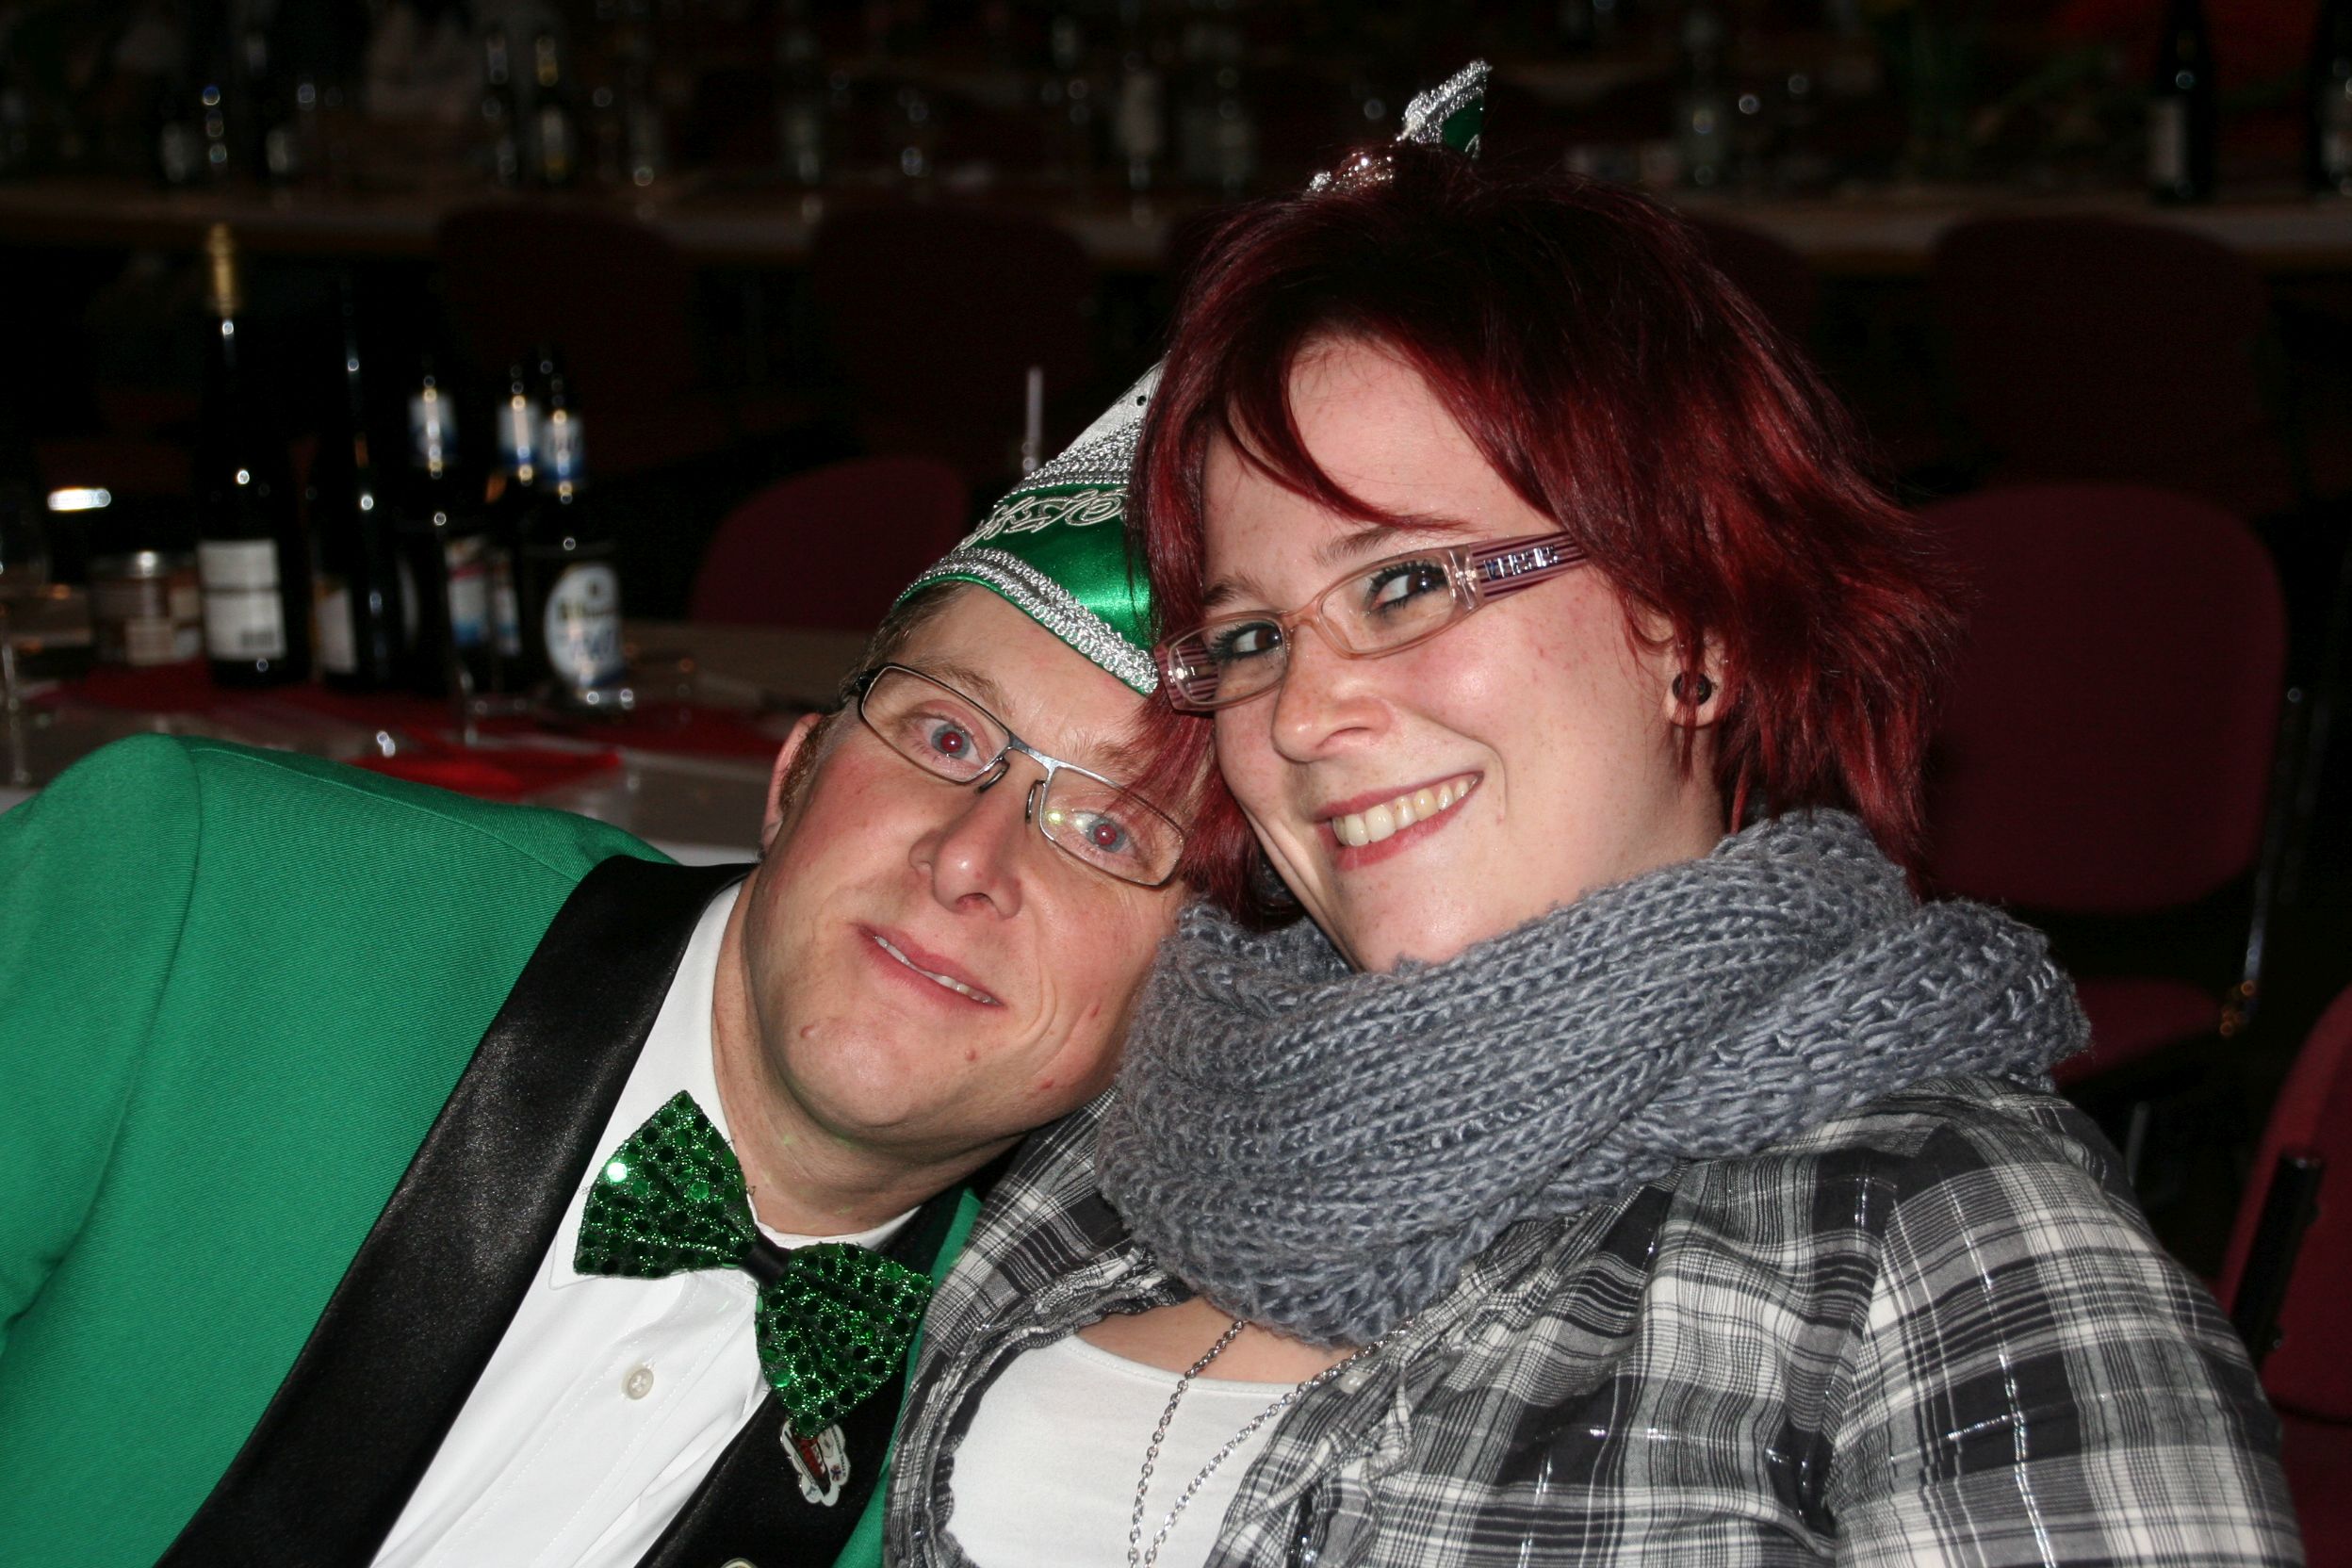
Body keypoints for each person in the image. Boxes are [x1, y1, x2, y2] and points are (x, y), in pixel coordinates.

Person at [887, 70, 2300, 1568]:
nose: (1297, 715)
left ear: (1696, 621)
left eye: (1404, 583)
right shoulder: (1144, 1106)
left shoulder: (1947, 1248)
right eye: (1249, 638)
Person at [0, 410, 1205, 1568]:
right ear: (795, 774)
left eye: (1109, 829)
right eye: (947, 737)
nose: (970, 859)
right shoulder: (197, 895)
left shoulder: (1029, 1422)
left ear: (1193, 991)